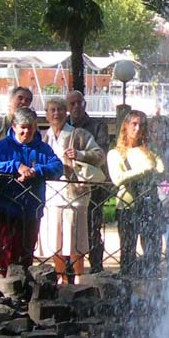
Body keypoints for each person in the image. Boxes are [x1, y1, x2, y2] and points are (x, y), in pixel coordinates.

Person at [0, 107, 63, 274]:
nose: (26, 131)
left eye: (30, 127)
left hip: (31, 208)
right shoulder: (3, 146)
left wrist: (36, 171)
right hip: (6, 207)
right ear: (14, 127)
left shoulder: (42, 148)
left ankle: (25, 288)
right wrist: (16, 166)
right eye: (22, 127)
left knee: (26, 251)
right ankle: (4, 286)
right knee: (6, 252)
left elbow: (58, 167)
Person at [40, 96, 103, 282]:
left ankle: (78, 277)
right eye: (52, 110)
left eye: (60, 109)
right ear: (46, 115)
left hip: (74, 196)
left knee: (75, 240)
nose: (56, 113)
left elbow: (100, 155)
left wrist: (80, 154)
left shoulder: (80, 134)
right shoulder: (43, 137)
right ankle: (61, 277)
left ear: (65, 113)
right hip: (50, 196)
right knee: (55, 241)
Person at [0, 86, 34, 269]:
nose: (23, 102)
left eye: (27, 100)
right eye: (20, 98)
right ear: (10, 100)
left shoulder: (31, 128)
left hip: (26, 193)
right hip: (0, 190)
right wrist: (12, 167)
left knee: (21, 239)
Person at [107, 110, 164, 275]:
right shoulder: (115, 153)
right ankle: (126, 288)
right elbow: (118, 178)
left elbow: (161, 170)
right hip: (127, 206)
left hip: (150, 204)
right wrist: (143, 171)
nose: (138, 128)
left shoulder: (149, 151)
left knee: (153, 250)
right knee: (128, 251)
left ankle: (151, 285)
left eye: (141, 125)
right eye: (134, 124)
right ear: (126, 126)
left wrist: (147, 171)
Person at [67, 90, 111, 273]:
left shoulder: (97, 125)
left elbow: (102, 151)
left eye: (80, 102)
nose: (77, 106)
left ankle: (96, 267)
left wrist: (80, 155)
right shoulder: (64, 126)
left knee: (93, 226)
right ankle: (70, 269)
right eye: (72, 103)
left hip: (92, 185)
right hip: (69, 186)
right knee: (70, 227)